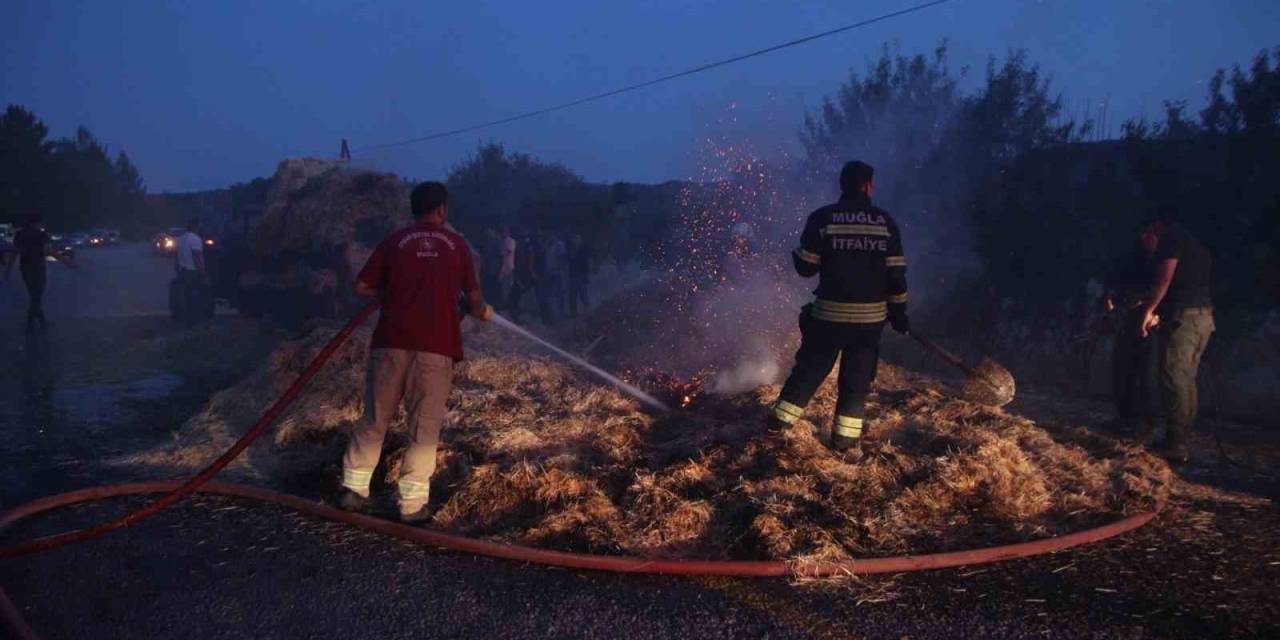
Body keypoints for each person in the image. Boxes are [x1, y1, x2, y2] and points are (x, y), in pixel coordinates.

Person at [339, 182, 492, 522]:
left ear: (413, 209)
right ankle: (411, 505)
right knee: (423, 425)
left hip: (391, 341)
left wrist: (395, 292)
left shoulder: (395, 241)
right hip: (435, 348)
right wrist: (479, 311)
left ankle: (353, 490)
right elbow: (476, 297)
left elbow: (362, 286)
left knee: (375, 417)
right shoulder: (457, 244)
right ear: (442, 210)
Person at [769, 161, 910, 460]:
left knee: (808, 372)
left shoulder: (823, 218)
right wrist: (899, 314)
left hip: (828, 318)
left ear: (842, 185)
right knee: (856, 382)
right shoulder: (885, 223)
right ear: (868, 186)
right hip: (869, 323)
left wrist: (799, 251)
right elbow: (895, 275)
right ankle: (844, 442)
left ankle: (777, 425)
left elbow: (805, 268)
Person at [1136, 212, 1214, 463]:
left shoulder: (1172, 239)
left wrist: (1148, 310)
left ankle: (1176, 444)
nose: (1144, 237)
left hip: (1184, 318)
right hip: (1202, 317)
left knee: (1172, 377)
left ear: (1157, 224)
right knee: (1185, 379)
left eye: (1147, 231)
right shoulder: (1193, 242)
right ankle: (1179, 438)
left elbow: (1164, 277)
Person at [1103, 243, 1158, 441]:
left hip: (1146, 321)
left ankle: (1144, 422)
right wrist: (1112, 310)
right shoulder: (1129, 262)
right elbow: (1111, 292)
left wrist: (1149, 312)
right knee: (1122, 370)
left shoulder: (1157, 263)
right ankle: (1125, 417)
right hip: (1127, 318)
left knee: (1145, 373)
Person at [4, 214, 52, 332]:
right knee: (37, 295)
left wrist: (8, 269)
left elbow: (14, 252)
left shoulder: (20, 234)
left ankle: (40, 321)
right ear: (38, 223)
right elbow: (47, 251)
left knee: (34, 294)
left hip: (25, 267)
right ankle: (33, 322)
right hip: (38, 266)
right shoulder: (42, 235)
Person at [174, 218, 210, 324]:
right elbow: (197, 257)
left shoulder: (180, 239)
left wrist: (177, 268)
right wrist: (204, 274)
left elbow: (176, 256)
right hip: (192, 272)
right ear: (196, 227)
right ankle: (195, 321)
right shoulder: (195, 239)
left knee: (186, 297)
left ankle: (187, 320)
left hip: (182, 271)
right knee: (196, 297)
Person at [567, 232, 591, 317]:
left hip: (581, 276)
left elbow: (587, 264)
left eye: (578, 239)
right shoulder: (570, 250)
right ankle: (573, 313)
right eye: (575, 239)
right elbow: (568, 263)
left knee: (583, 295)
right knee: (572, 296)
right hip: (572, 276)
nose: (576, 241)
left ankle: (587, 312)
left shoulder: (583, 251)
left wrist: (587, 275)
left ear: (580, 241)